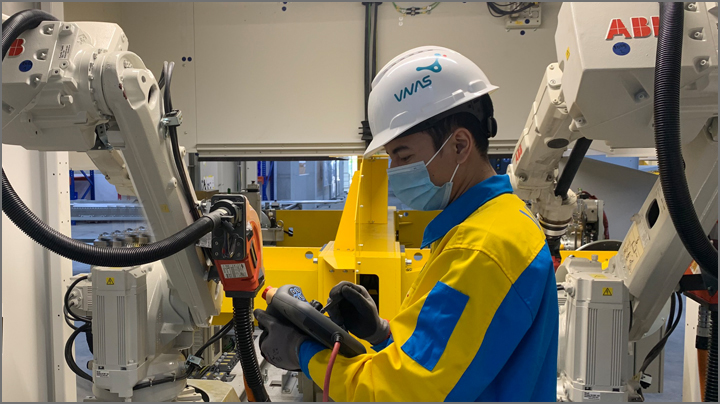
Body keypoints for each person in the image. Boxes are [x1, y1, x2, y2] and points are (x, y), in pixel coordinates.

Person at [253, 46, 558, 401]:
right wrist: (382, 335)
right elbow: (447, 364)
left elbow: (402, 394)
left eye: (403, 155)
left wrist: (303, 352)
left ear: (460, 145)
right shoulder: (491, 223)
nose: (394, 171)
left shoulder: (483, 248)